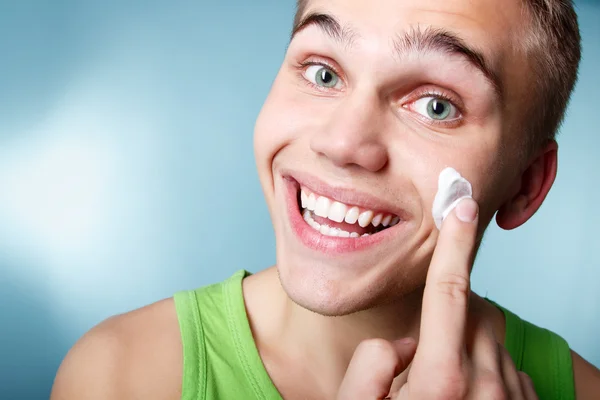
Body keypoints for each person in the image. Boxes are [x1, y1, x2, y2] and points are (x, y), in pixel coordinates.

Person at [51, 0, 600, 399]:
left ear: (526, 185)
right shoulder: (117, 375)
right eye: (323, 73)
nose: (341, 143)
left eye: (436, 105)